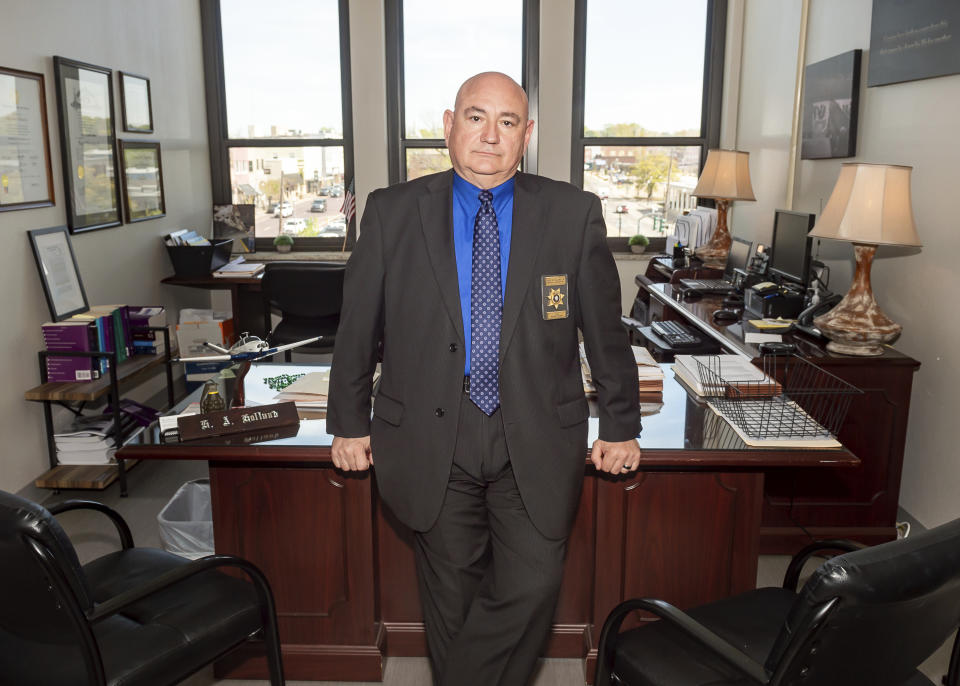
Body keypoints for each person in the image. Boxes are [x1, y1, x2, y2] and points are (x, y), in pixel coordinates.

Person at [328, 72, 641, 686]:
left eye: (507, 122)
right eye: (476, 118)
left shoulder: (573, 214)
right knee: (451, 601)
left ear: (528, 135)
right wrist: (347, 420)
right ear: (448, 125)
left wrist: (621, 424)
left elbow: (606, 330)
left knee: (532, 586)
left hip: (538, 433)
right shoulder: (393, 211)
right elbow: (358, 325)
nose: (490, 137)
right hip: (426, 434)